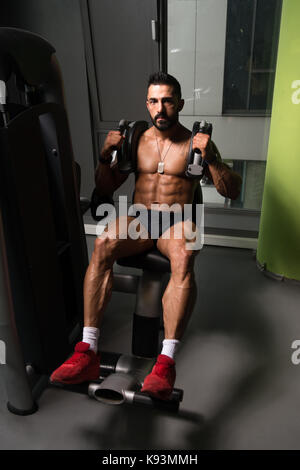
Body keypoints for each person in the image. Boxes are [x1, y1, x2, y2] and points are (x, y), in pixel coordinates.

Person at [50, 72, 242, 400]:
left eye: (168, 100)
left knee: (183, 254)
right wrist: (104, 156)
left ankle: (165, 363)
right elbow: (105, 188)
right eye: (154, 101)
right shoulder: (135, 138)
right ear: (147, 104)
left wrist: (211, 158)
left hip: (180, 220)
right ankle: (88, 351)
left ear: (180, 103)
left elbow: (232, 190)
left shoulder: (196, 141)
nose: (161, 108)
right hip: (140, 218)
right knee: (104, 242)